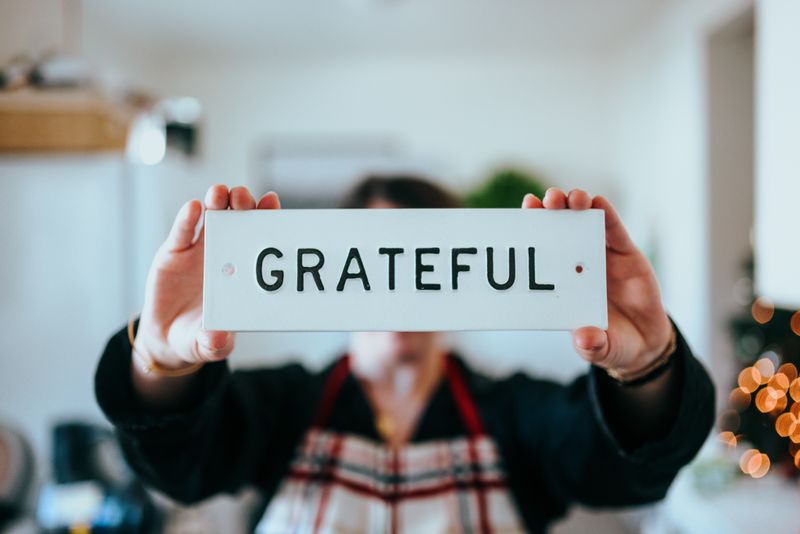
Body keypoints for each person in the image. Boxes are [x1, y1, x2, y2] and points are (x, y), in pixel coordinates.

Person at [95, 176, 715, 533]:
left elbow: (622, 472)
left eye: (427, 261)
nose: (404, 287)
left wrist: (647, 366)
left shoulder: (515, 412)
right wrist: (162, 362)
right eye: (383, 257)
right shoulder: (282, 404)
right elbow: (181, 465)